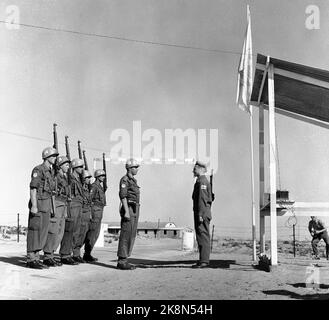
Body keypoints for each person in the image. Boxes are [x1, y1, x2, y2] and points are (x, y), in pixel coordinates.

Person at [26, 147, 58, 269]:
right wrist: (34, 205)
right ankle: (31, 259)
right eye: (53, 156)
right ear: (47, 157)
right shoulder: (38, 170)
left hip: (46, 205)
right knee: (35, 231)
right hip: (38, 204)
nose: (55, 159)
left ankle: (36, 258)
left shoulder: (50, 172)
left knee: (42, 233)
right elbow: (33, 188)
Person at [42, 155, 71, 267]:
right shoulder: (56, 176)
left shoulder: (64, 177)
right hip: (57, 203)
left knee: (60, 232)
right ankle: (48, 255)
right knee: (53, 230)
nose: (68, 167)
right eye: (66, 165)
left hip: (63, 204)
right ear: (60, 166)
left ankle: (52, 254)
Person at [116, 158, 140, 270]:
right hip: (129, 208)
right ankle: (122, 261)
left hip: (135, 208)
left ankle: (125, 259)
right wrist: (126, 211)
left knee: (131, 234)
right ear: (129, 168)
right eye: (135, 167)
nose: (137, 169)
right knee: (126, 234)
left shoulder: (133, 181)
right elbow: (123, 196)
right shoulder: (125, 180)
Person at [60, 158, 84, 264]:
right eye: (80, 167)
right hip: (72, 205)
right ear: (74, 167)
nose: (82, 169)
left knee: (77, 231)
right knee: (70, 230)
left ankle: (74, 253)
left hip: (79, 206)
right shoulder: (70, 178)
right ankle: (65, 254)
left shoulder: (78, 179)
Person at [191, 160, 213, 268]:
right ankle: (202, 260)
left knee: (203, 235)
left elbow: (202, 200)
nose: (193, 170)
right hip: (202, 212)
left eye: (195, 168)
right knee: (200, 236)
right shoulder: (201, 181)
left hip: (202, 213)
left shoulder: (202, 182)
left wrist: (200, 214)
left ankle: (204, 261)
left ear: (201, 169)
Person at [83, 169, 107, 262]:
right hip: (95, 211)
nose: (103, 177)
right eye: (102, 176)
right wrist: (90, 213)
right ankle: (86, 254)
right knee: (92, 233)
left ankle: (88, 254)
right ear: (97, 177)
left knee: (95, 234)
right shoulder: (94, 186)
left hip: (99, 211)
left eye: (104, 176)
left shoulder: (100, 187)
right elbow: (90, 199)